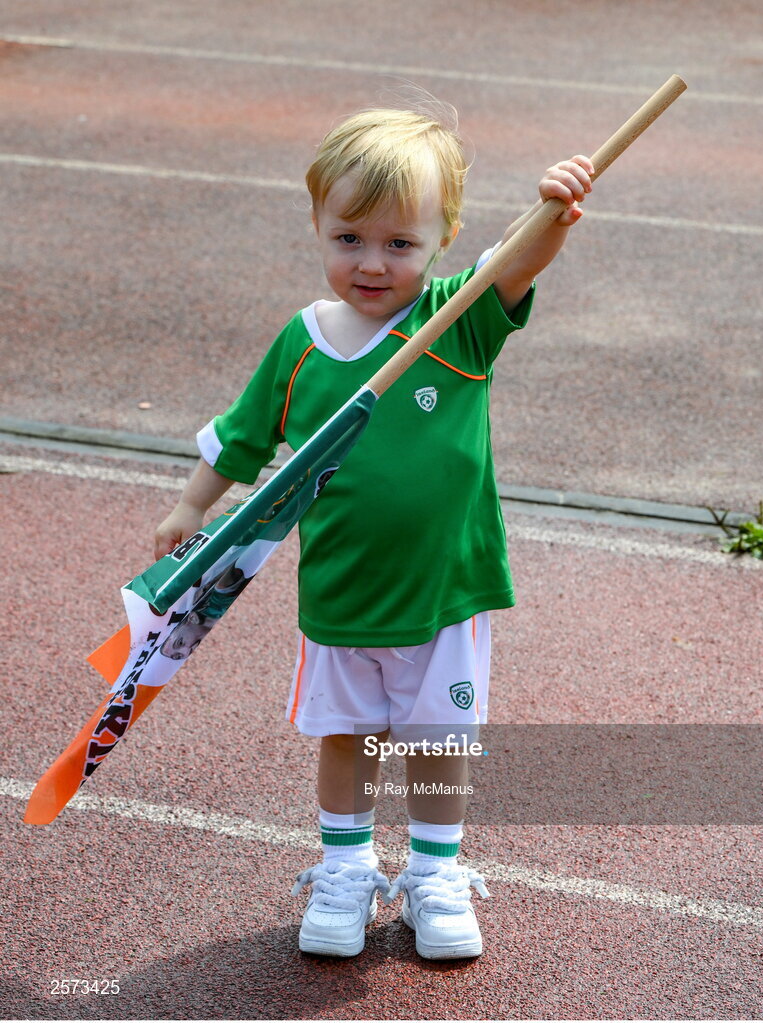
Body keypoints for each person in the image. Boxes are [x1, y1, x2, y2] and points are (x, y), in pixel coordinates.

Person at [154, 102, 594, 960]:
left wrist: (555, 210)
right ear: (318, 223)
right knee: (344, 738)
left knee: (437, 742)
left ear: (442, 239)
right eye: (350, 237)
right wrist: (190, 504)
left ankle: (434, 874)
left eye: (400, 244)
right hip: (341, 592)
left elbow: (519, 260)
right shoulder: (303, 342)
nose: (371, 262)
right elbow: (243, 436)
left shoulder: (456, 316)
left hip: (444, 591)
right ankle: (345, 869)